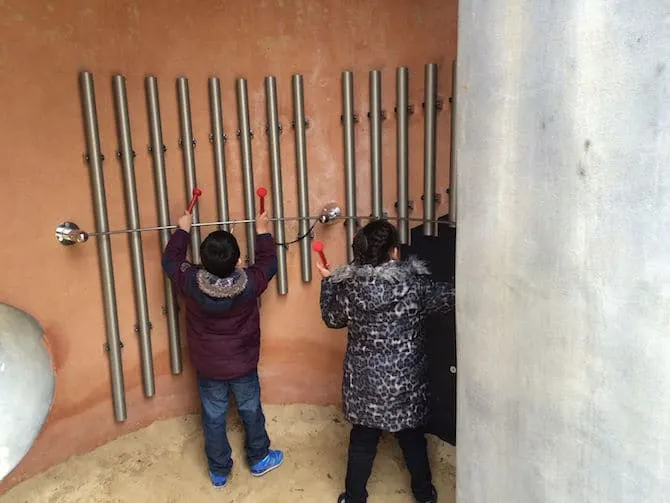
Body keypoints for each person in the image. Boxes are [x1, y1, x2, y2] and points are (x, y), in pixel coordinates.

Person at [316, 219, 455, 503]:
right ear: (394, 252)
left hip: (364, 384)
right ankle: (424, 495)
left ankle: (354, 497)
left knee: (362, 442)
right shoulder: (414, 285)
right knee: (413, 440)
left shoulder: (349, 288)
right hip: (406, 383)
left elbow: (332, 319)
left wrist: (329, 283)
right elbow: (447, 299)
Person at [162, 209, 283, 488]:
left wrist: (183, 230)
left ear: (202, 263)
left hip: (208, 367)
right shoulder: (250, 282)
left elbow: (171, 260)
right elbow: (269, 263)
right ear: (239, 260)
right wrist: (263, 230)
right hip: (243, 364)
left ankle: (219, 471)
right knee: (251, 409)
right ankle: (259, 458)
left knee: (213, 417)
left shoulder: (191, 281)